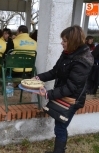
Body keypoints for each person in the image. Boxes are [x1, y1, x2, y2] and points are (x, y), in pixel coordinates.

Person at [35, 25, 94, 153]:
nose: (61, 43)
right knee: (60, 125)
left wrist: (48, 94)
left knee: (60, 127)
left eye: (65, 41)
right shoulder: (67, 54)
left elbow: (71, 87)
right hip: (63, 95)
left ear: (73, 41)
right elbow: (55, 71)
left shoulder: (82, 60)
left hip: (72, 99)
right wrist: (39, 77)